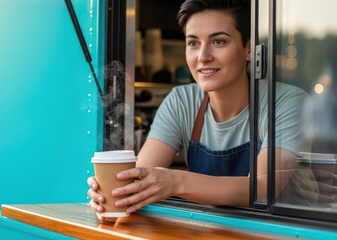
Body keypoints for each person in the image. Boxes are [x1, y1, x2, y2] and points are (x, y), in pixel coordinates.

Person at [88, 0, 335, 222]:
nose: (203, 56)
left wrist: (173, 181)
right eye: (193, 43)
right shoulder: (181, 101)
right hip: (213, 228)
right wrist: (114, 195)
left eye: (218, 41)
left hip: (281, 230)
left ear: (248, 49)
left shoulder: (285, 101)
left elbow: (262, 188)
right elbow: (138, 179)